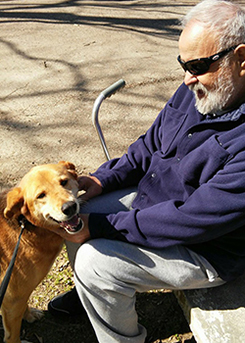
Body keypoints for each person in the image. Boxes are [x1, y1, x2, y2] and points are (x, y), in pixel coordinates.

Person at [48, 0, 245, 342]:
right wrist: (101, 179)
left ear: (241, 59)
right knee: (79, 208)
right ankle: (94, 296)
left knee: (96, 261)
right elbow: (150, 144)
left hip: (207, 249)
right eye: (183, 64)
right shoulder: (202, 90)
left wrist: (102, 228)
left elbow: (192, 220)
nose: (186, 78)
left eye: (198, 65)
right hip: (156, 205)